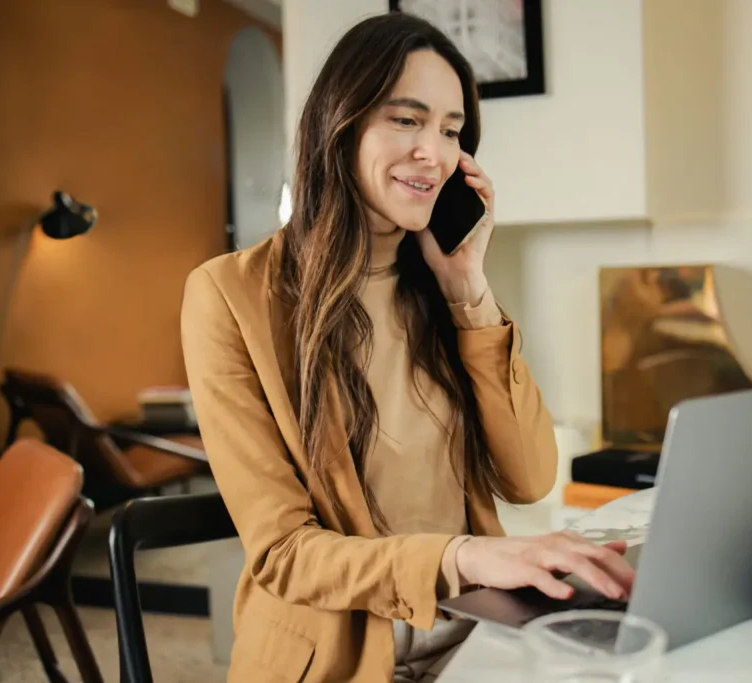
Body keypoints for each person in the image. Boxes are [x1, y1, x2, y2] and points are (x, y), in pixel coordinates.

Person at [180, 12, 635, 683]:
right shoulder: (229, 295)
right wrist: (463, 557)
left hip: (475, 641)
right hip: (340, 662)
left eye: (452, 131)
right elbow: (283, 552)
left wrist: (469, 289)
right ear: (342, 122)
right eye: (406, 119)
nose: (435, 151)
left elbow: (531, 473)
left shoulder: (440, 288)